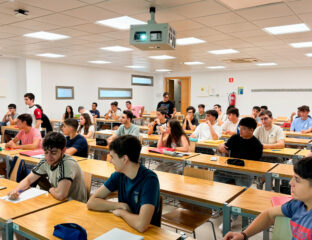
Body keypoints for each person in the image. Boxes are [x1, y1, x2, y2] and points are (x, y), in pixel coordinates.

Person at [224, 157, 312, 240]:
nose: (290, 182)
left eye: (297, 179)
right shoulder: (297, 204)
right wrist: (243, 235)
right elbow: (269, 215)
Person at [87, 135, 161, 233]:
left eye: (112, 157)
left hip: (148, 234)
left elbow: (141, 225)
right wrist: (119, 205)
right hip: (126, 228)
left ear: (125, 159)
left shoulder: (149, 180)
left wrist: (122, 212)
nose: (110, 161)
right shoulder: (118, 175)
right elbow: (91, 203)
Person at [8, 132, 87, 202]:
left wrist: (50, 188)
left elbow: (61, 195)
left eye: (53, 152)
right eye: (46, 152)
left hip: (74, 204)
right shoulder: (45, 161)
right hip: (57, 201)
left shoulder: (67, 164)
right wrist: (16, 191)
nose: (49, 157)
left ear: (63, 150)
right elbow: (28, 180)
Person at [217, 117, 263, 187]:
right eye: (239, 128)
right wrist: (220, 146)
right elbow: (223, 147)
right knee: (213, 178)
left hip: (245, 172)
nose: (240, 131)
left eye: (243, 129)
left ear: (251, 130)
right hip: (230, 169)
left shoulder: (257, 145)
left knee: (243, 191)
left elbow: (255, 165)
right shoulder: (235, 138)